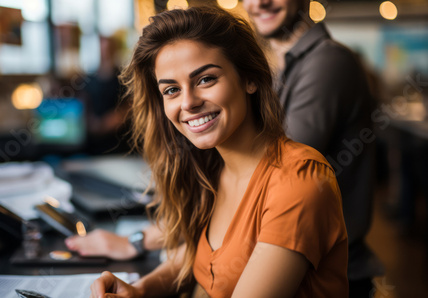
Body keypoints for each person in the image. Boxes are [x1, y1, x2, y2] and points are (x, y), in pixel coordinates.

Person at [89, 6, 348, 298]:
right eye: (171, 90)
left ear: (249, 78)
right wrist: (139, 290)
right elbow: (202, 258)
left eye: (205, 79)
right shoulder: (209, 167)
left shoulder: (298, 180)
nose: (188, 103)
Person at [242, 0, 383, 296]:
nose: (259, 3)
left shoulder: (327, 61)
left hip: (329, 274)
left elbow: (278, 169)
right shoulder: (287, 65)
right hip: (297, 262)